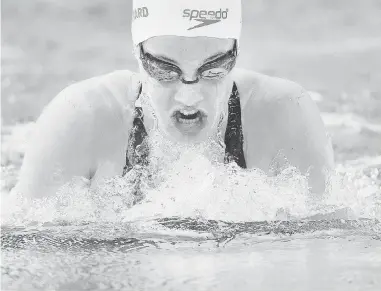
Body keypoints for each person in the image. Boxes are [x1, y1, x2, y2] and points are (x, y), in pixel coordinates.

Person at [13, 0, 334, 199]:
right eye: (164, 70)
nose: (189, 94)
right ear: (138, 56)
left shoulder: (285, 114)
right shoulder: (78, 118)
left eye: (214, 68)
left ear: (236, 54)